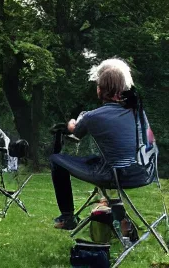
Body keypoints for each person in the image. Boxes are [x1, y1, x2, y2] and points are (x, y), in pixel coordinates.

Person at [50, 58, 154, 230]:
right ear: (123, 88)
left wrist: (71, 123)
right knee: (94, 159)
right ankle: (117, 214)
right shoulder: (137, 111)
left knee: (56, 159)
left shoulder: (92, 116)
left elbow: (75, 132)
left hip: (116, 176)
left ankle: (67, 217)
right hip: (144, 172)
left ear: (100, 90)